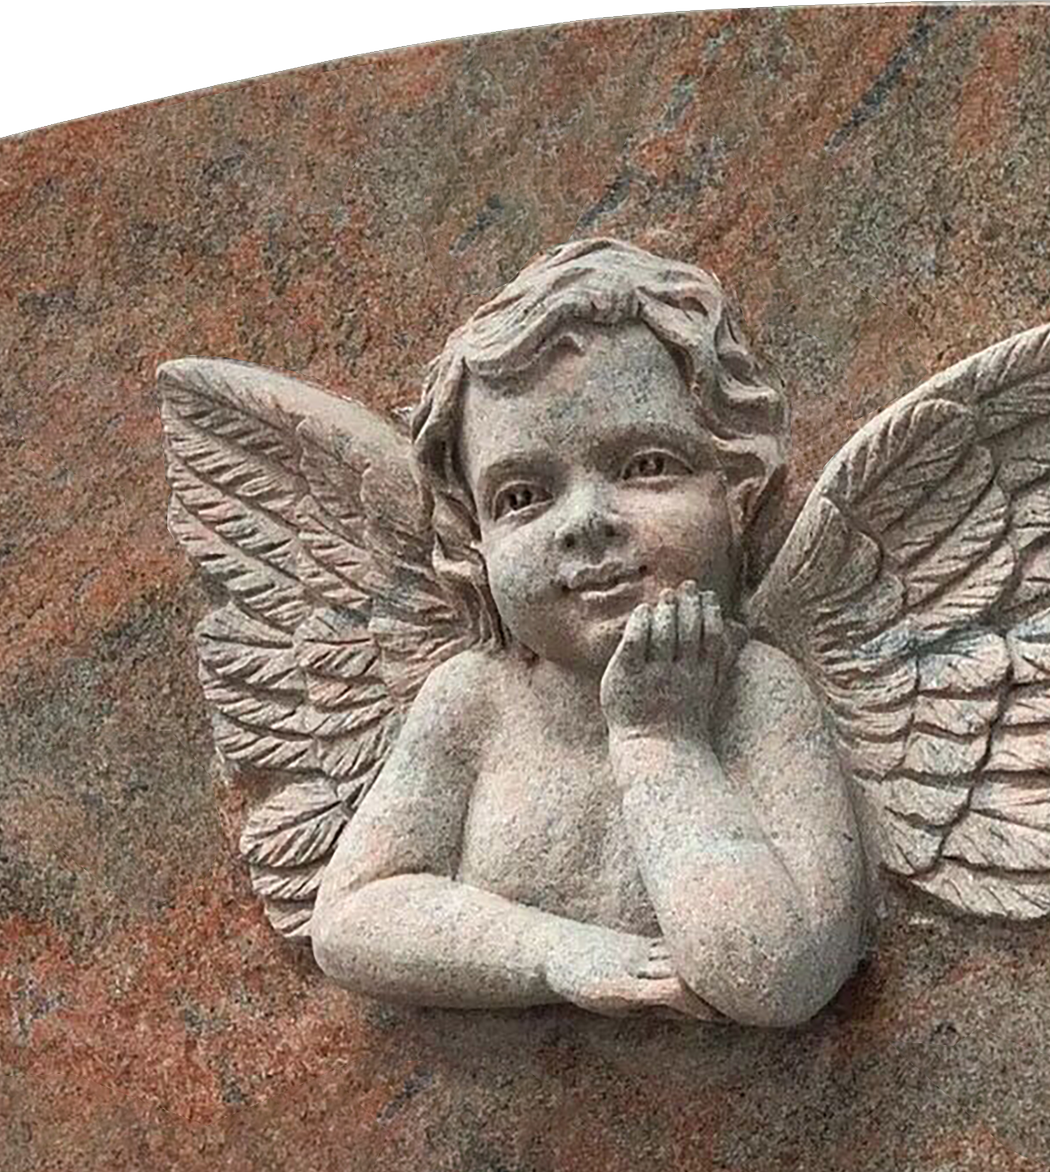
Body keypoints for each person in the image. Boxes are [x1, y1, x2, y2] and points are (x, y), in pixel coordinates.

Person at [307, 240, 869, 1028]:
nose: (586, 523)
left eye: (645, 465)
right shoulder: (474, 699)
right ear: (473, 542)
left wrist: (660, 737)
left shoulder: (757, 693)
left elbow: (776, 972)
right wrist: (556, 953)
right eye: (522, 496)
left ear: (736, 491)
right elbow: (351, 916)